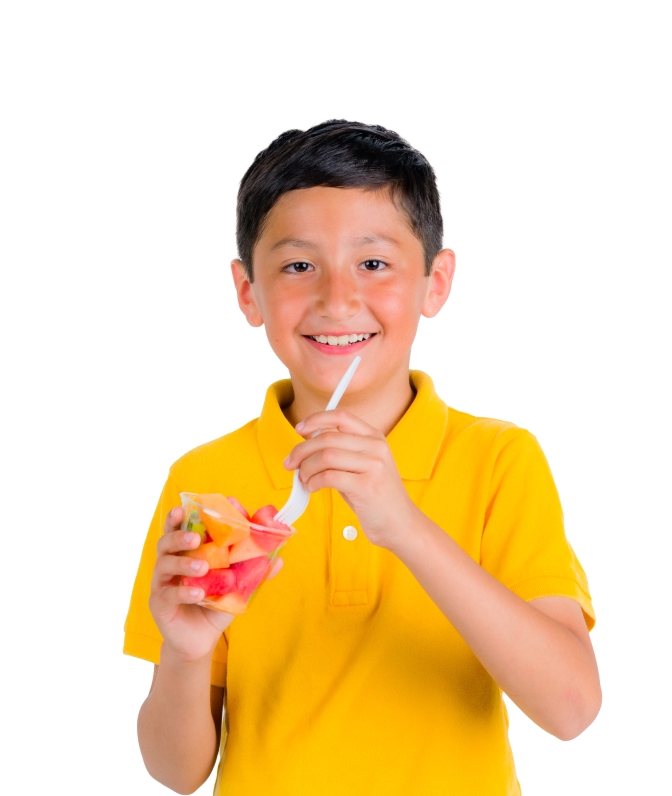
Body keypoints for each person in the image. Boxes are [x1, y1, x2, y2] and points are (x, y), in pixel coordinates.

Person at [123, 120, 601, 795]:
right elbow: (175, 772)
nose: (336, 299)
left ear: (435, 283)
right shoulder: (203, 479)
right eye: (297, 265)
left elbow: (572, 707)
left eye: (373, 263)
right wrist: (185, 650)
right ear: (248, 292)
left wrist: (402, 524)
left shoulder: (498, 460)